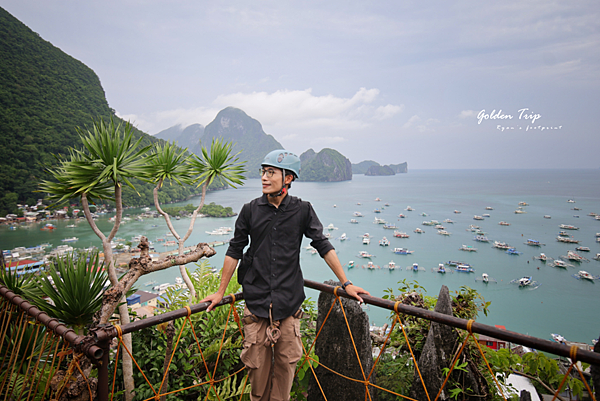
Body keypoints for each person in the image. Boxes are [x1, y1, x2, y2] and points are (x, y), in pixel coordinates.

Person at [201, 149, 369, 401]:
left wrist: (347, 283)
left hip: (288, 309)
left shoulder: (302, 210)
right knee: (257, 384)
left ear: (288, 178)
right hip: (256, 308)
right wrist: (220, 292)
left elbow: (322, 245)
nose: (264, 178)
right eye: (263, 172)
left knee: (284, 382)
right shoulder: (250, 210)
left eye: (271, 173)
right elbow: (234, 250)